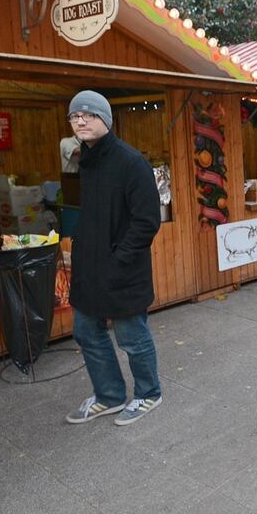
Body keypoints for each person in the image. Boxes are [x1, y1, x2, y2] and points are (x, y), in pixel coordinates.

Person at [64, 90, 163, 426]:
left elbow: (147, 221)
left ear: (105, 119)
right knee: (86, 332)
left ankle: (149, 393)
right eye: (75, 116)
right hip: (89, 268)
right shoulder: (86, 160)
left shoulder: (131, 162)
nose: (80, 121)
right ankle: (109, 396)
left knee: (132, 338)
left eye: (88, 115)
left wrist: (118, 258)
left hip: (123, 270)